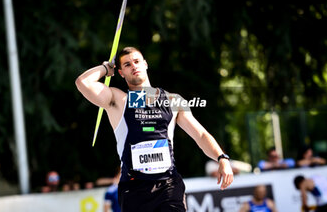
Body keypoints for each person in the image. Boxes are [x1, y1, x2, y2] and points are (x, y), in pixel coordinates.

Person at [75, 47, 234, 211]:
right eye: (128, 64)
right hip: (134, 189)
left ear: (145, 64)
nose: (134, 66)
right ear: (121, 72)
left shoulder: (173, 101)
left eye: (137, 62)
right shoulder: (118, 100)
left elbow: (200, 135)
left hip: (168, 185)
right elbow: (83, 83)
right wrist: (106, 68)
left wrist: (222, 158)